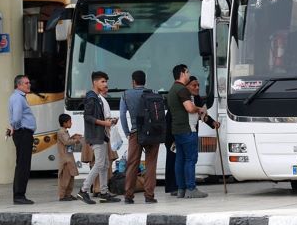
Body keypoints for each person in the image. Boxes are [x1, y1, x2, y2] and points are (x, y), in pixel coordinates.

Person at [77, 71, 120, 204]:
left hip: (101, 135)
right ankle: (83, 190)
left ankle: (103, 192)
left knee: (105, 164)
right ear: (94, 82)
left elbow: (97, 116)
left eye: (106, 81)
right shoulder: (91, 98)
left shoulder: (97, 97)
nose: (105, 84)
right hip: (96, 135)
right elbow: (88, 117)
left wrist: (110, 121)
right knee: (100, 163)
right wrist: (104, 123)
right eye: (102, 81)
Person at [167, 64, 207, 198]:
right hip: (188, 129)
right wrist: (199, 109)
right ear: (182, 73)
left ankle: (181, 189)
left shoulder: (172, 89)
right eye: (188, 72)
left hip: (177, 129)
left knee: (180, 159)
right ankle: (191, 188)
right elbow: (189, 108)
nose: (189, 74)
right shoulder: (182, 90)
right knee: (190, 159)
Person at [120, 70, 159, 204]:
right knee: (151, 164)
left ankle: (128, 196)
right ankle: (149, 195)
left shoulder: (126, 94)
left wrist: (127, 132)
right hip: (152, 133)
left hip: (135, 132)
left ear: (133, 81)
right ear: (145, 81)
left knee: (132, 164)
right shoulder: (153, 92)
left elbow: (122, 116)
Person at [9, 75, 36, 205]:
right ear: (18, 85)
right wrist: (19, 129)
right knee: (23, 166)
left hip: (23, 133)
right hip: (23, 133)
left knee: (22, 164)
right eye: (26, 83)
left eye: (29, 82)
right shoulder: (18, 98)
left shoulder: (19, 97)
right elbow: (16, 118)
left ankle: (19, 194)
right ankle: (19, 195)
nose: (29, 85)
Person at [57, 114, 81, 201]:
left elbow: (67, 139)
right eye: (70, 121)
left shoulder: (65, 132)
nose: (71, 123)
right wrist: (76, 140)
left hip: (69, 158)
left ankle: (68, 194)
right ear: (64, 123)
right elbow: (66, 142)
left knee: (71, 177)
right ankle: (62, 196)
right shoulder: (61, 132)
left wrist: (73, 136)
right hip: (65, 160)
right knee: (65, 178)